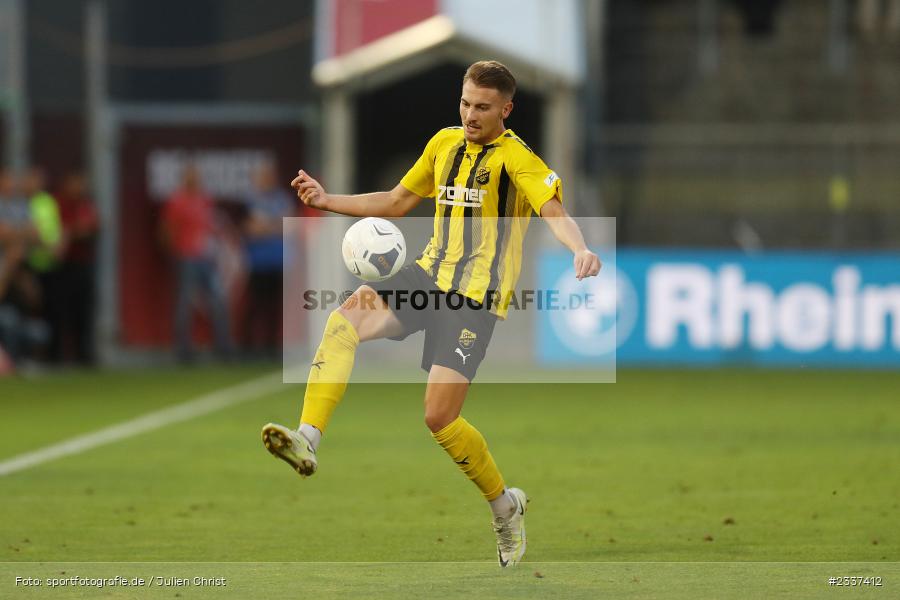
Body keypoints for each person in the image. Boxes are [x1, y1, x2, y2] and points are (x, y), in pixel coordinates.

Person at [262, 61, 601, 567]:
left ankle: (504, 507)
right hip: (426, 277)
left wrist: (580, 248)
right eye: (465, 103)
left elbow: (553, 210)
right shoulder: (443, 144)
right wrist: (327, 200)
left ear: (506, 109)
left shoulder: (517, 158)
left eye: (482, 107)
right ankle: (307, 438)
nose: (470, 114)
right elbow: (397, 201)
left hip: (474, 300)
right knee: (343, 321)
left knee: (439, 417)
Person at [161, 164, 233, 363]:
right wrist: (175, 253)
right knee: (184, 303)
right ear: (184, 178)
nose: (195, 180)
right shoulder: (176, 201)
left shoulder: (205, 199)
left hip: (206, 258)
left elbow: (210, 226)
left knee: (218, 301)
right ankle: (183, 349)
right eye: (191, 176)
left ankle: (223, 347)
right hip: (187, 257)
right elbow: (167, 230)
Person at [241, 163, 296, 358]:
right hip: (258, 262)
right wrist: (275, 225)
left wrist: (266, 226)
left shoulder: (282, 198)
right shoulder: (251, 200)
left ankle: (272, 347)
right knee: (256, 306)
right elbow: (251, 229)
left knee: (276, 307)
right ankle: (249, 348)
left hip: (279, 260)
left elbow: (290, 226)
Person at [56, 170, 100, 365]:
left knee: (85, 309)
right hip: (64, 264)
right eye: (76, 183)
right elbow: (63, 231)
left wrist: (78, 231)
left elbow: (94, 226)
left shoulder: (87, 204)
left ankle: (85, 354)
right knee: (63, 309)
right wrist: (78, 230)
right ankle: (59, 355)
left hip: (85, 263)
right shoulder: (60, 203)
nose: (79, 187)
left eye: (82, 183)